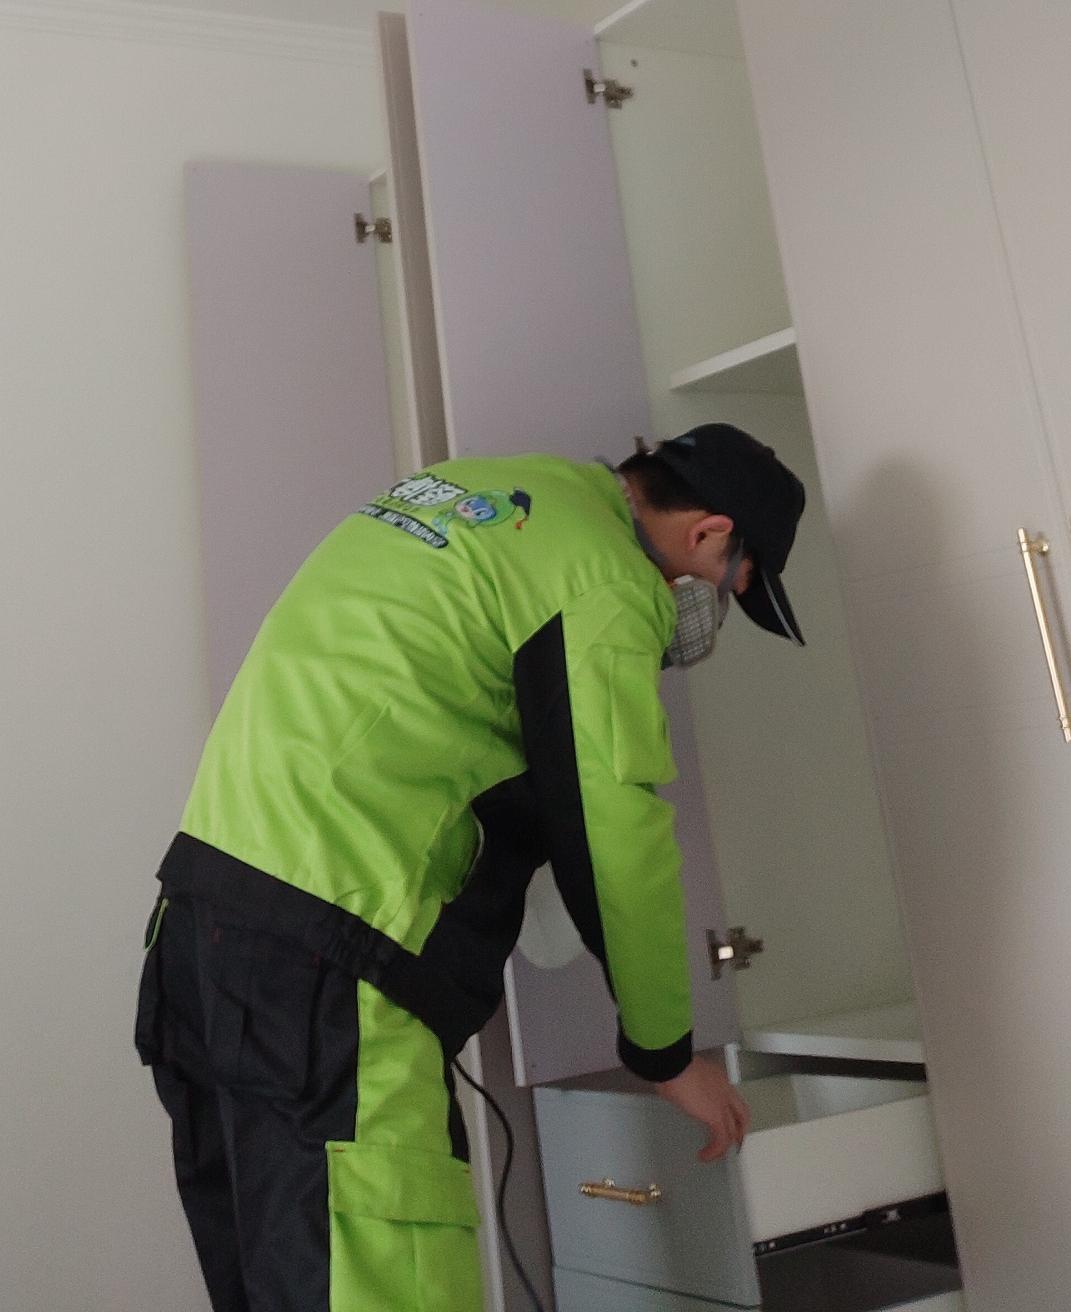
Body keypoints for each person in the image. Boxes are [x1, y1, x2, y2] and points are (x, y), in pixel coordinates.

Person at [135, 421, 808, 1312]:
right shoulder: (606, 576)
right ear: (711, 533)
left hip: (199, 928)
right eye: (730, 583)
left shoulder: (492, 491)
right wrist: (666, 1054)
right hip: (332, 969)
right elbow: (616, 835)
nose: (708, 607)